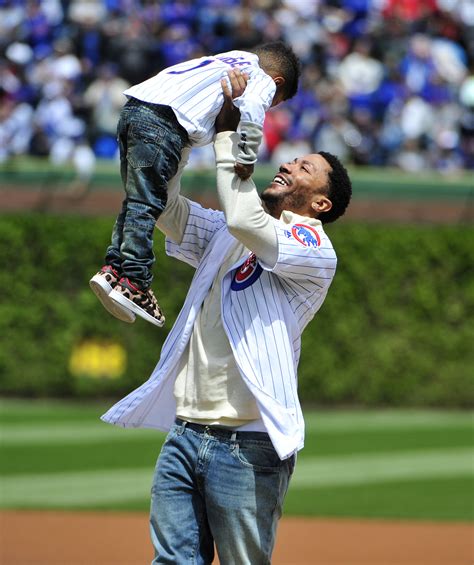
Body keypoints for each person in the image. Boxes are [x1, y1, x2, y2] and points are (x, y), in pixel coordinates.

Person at [101, 70, 352, 564]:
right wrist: (172, 135)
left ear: (320, 202)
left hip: (248, 444)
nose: (288, 167)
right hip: (186, 430)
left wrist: (227, 136)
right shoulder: (227, 232)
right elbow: (166, 207)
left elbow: (244, 218)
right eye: (292, 160)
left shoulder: (313, 246)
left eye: (304, 169)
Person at [89, 41, 301, 328]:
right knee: (148, 202)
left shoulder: (231, 59)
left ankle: (116, 268)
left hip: (134, 112)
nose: (271, 104)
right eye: (276, 100)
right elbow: (252, 105)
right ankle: (135, 280)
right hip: (164, 124)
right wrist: (247, 154)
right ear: (277, 83)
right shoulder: (261, 78)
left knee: (137, 200)